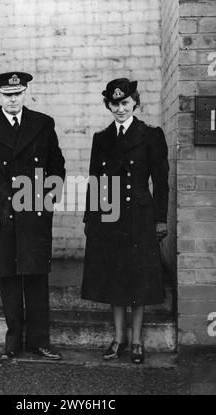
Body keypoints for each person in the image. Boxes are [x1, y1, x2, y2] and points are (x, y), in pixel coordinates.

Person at [0, 71, 65, 360]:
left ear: (25, 93)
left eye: (18, 94)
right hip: (1, 214)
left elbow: (57, 166)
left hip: (34, 211)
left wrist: (47, 199)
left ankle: (39, 341)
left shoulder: (43, 124)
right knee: (7, 278)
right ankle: (13, 342)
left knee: (36, 278)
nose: (13, 100)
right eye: (8, 95)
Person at [81, 78, 169, 364]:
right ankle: (118, 339)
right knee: (115, 279)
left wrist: (160, 219)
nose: (120, 109)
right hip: (110, 217)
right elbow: (95, 182)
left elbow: (161, 181)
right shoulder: (102, 139)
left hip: (140, 217)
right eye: (115, 104)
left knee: (139, 280)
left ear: (135, 103)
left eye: (125, 103)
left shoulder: (151, 135)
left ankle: (136, 341)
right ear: (108, 105)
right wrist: (91, 220)